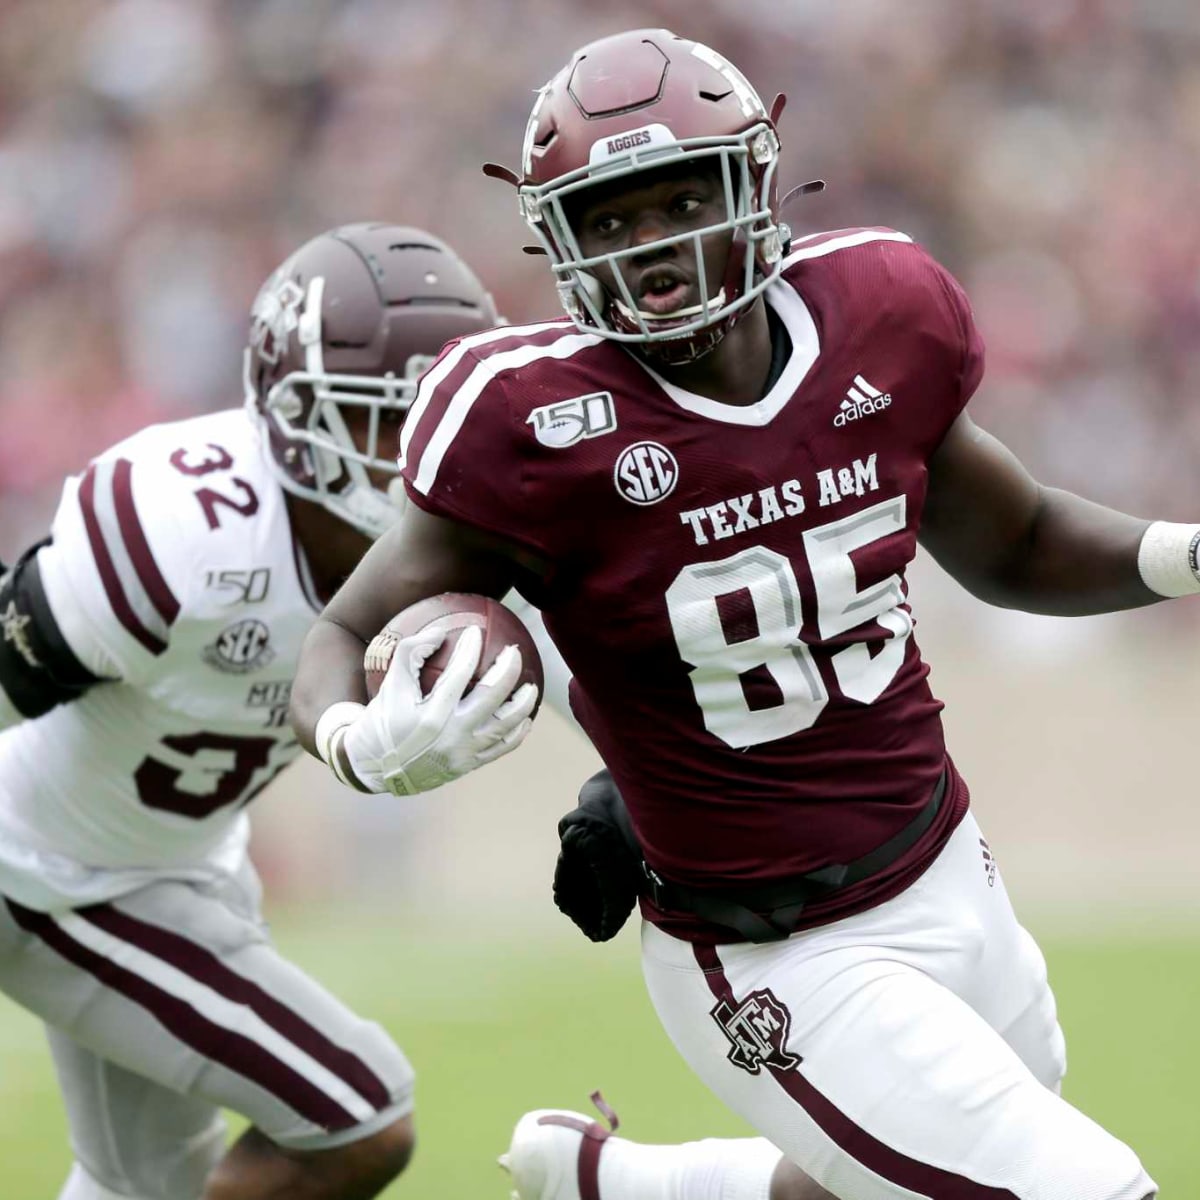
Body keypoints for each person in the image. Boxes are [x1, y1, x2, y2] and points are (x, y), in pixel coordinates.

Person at [287, 29, 1170, 1200]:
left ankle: (623, 1186)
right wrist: (357, 745)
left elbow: (1013, 543)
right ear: (557, 237)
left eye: (676, 200)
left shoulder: (881, 313)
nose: (650, 248)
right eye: (608, 219)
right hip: (771, 949)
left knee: (906, 1176)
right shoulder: (530, 425)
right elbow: (339, 637)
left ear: (752, 184)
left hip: (949, 861)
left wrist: (1190, 554)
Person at [0, 222, 513, 1200]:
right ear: (292, 413)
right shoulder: (188, 532)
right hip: (46, 868)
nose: (413, 456)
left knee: (143, 1184)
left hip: (174, 870)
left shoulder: (472, 536)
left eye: (430, 420)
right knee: (357, 1115)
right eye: (379, 420)